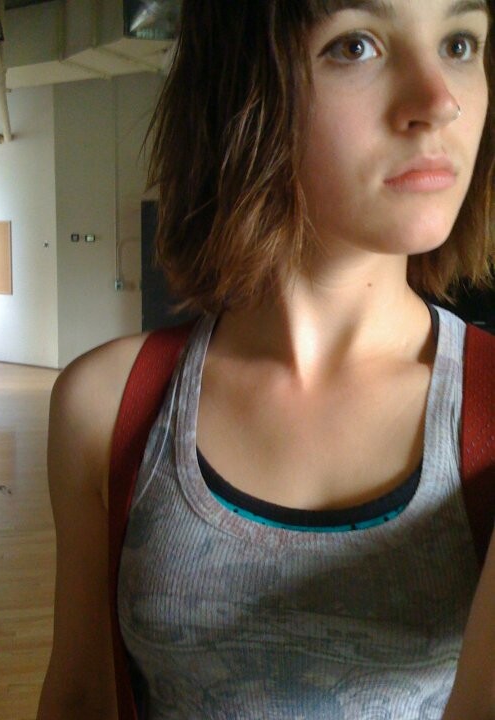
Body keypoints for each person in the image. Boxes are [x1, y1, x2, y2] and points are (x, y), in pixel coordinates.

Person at [37, 0, 495, 717]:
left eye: (460, 43)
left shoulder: (488, 411)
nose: (440, 102)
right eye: (355, 45)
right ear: (239, 90)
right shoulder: (106, 406)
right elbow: (79, 694)